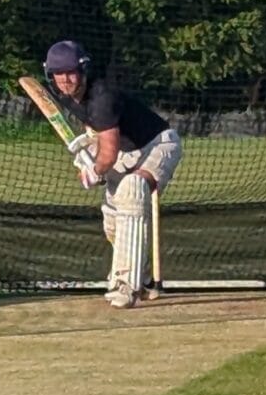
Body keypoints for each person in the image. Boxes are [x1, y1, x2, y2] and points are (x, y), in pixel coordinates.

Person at [44, 39, 181, 309]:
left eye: (71, 72)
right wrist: (89, 152)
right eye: (59, 74)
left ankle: (126, 286)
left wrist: (95, 170)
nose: (65, 79)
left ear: (83, 70)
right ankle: (141, 278)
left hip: (157, 144)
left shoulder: (102, 97)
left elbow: (109, 151)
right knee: (112, 223)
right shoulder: (64, 94)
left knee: (133, 188)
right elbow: (97, 131)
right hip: (124, 151)